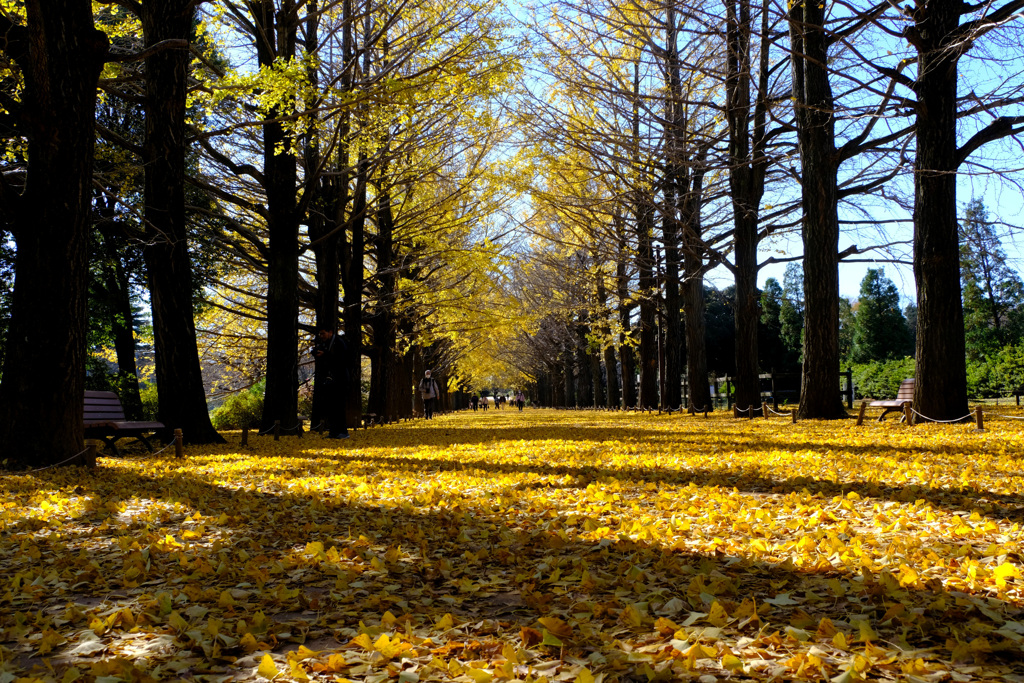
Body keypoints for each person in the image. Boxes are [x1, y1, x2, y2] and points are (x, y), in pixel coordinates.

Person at [314, 325, 350, 439]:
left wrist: (325, 355)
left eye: (323, 333)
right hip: (329, 379)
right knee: (331, 407)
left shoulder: (339, 342)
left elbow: (341, 360)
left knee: (339, 406)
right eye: (320, 334)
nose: (321, 336)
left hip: (340, 379)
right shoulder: (326, 343)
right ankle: (333, 432)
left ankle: (343, 432)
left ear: (330, 332)